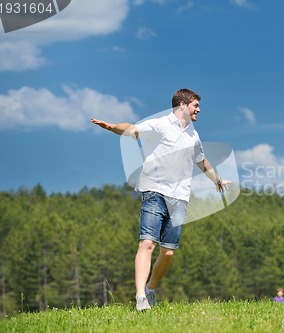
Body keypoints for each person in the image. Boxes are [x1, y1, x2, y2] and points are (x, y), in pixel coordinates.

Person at [92, 88, 231, 311]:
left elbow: (202, 162)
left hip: (180, 197)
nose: (199, 109)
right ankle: (140, 298)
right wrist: (111, 127)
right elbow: (132, 129)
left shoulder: (193, 135)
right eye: (196, 105)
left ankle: (150, 289)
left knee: (168, 252)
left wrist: (218, 180)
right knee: (147, 243)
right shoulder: (160, 124)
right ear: (183, 105)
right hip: (154, 191)